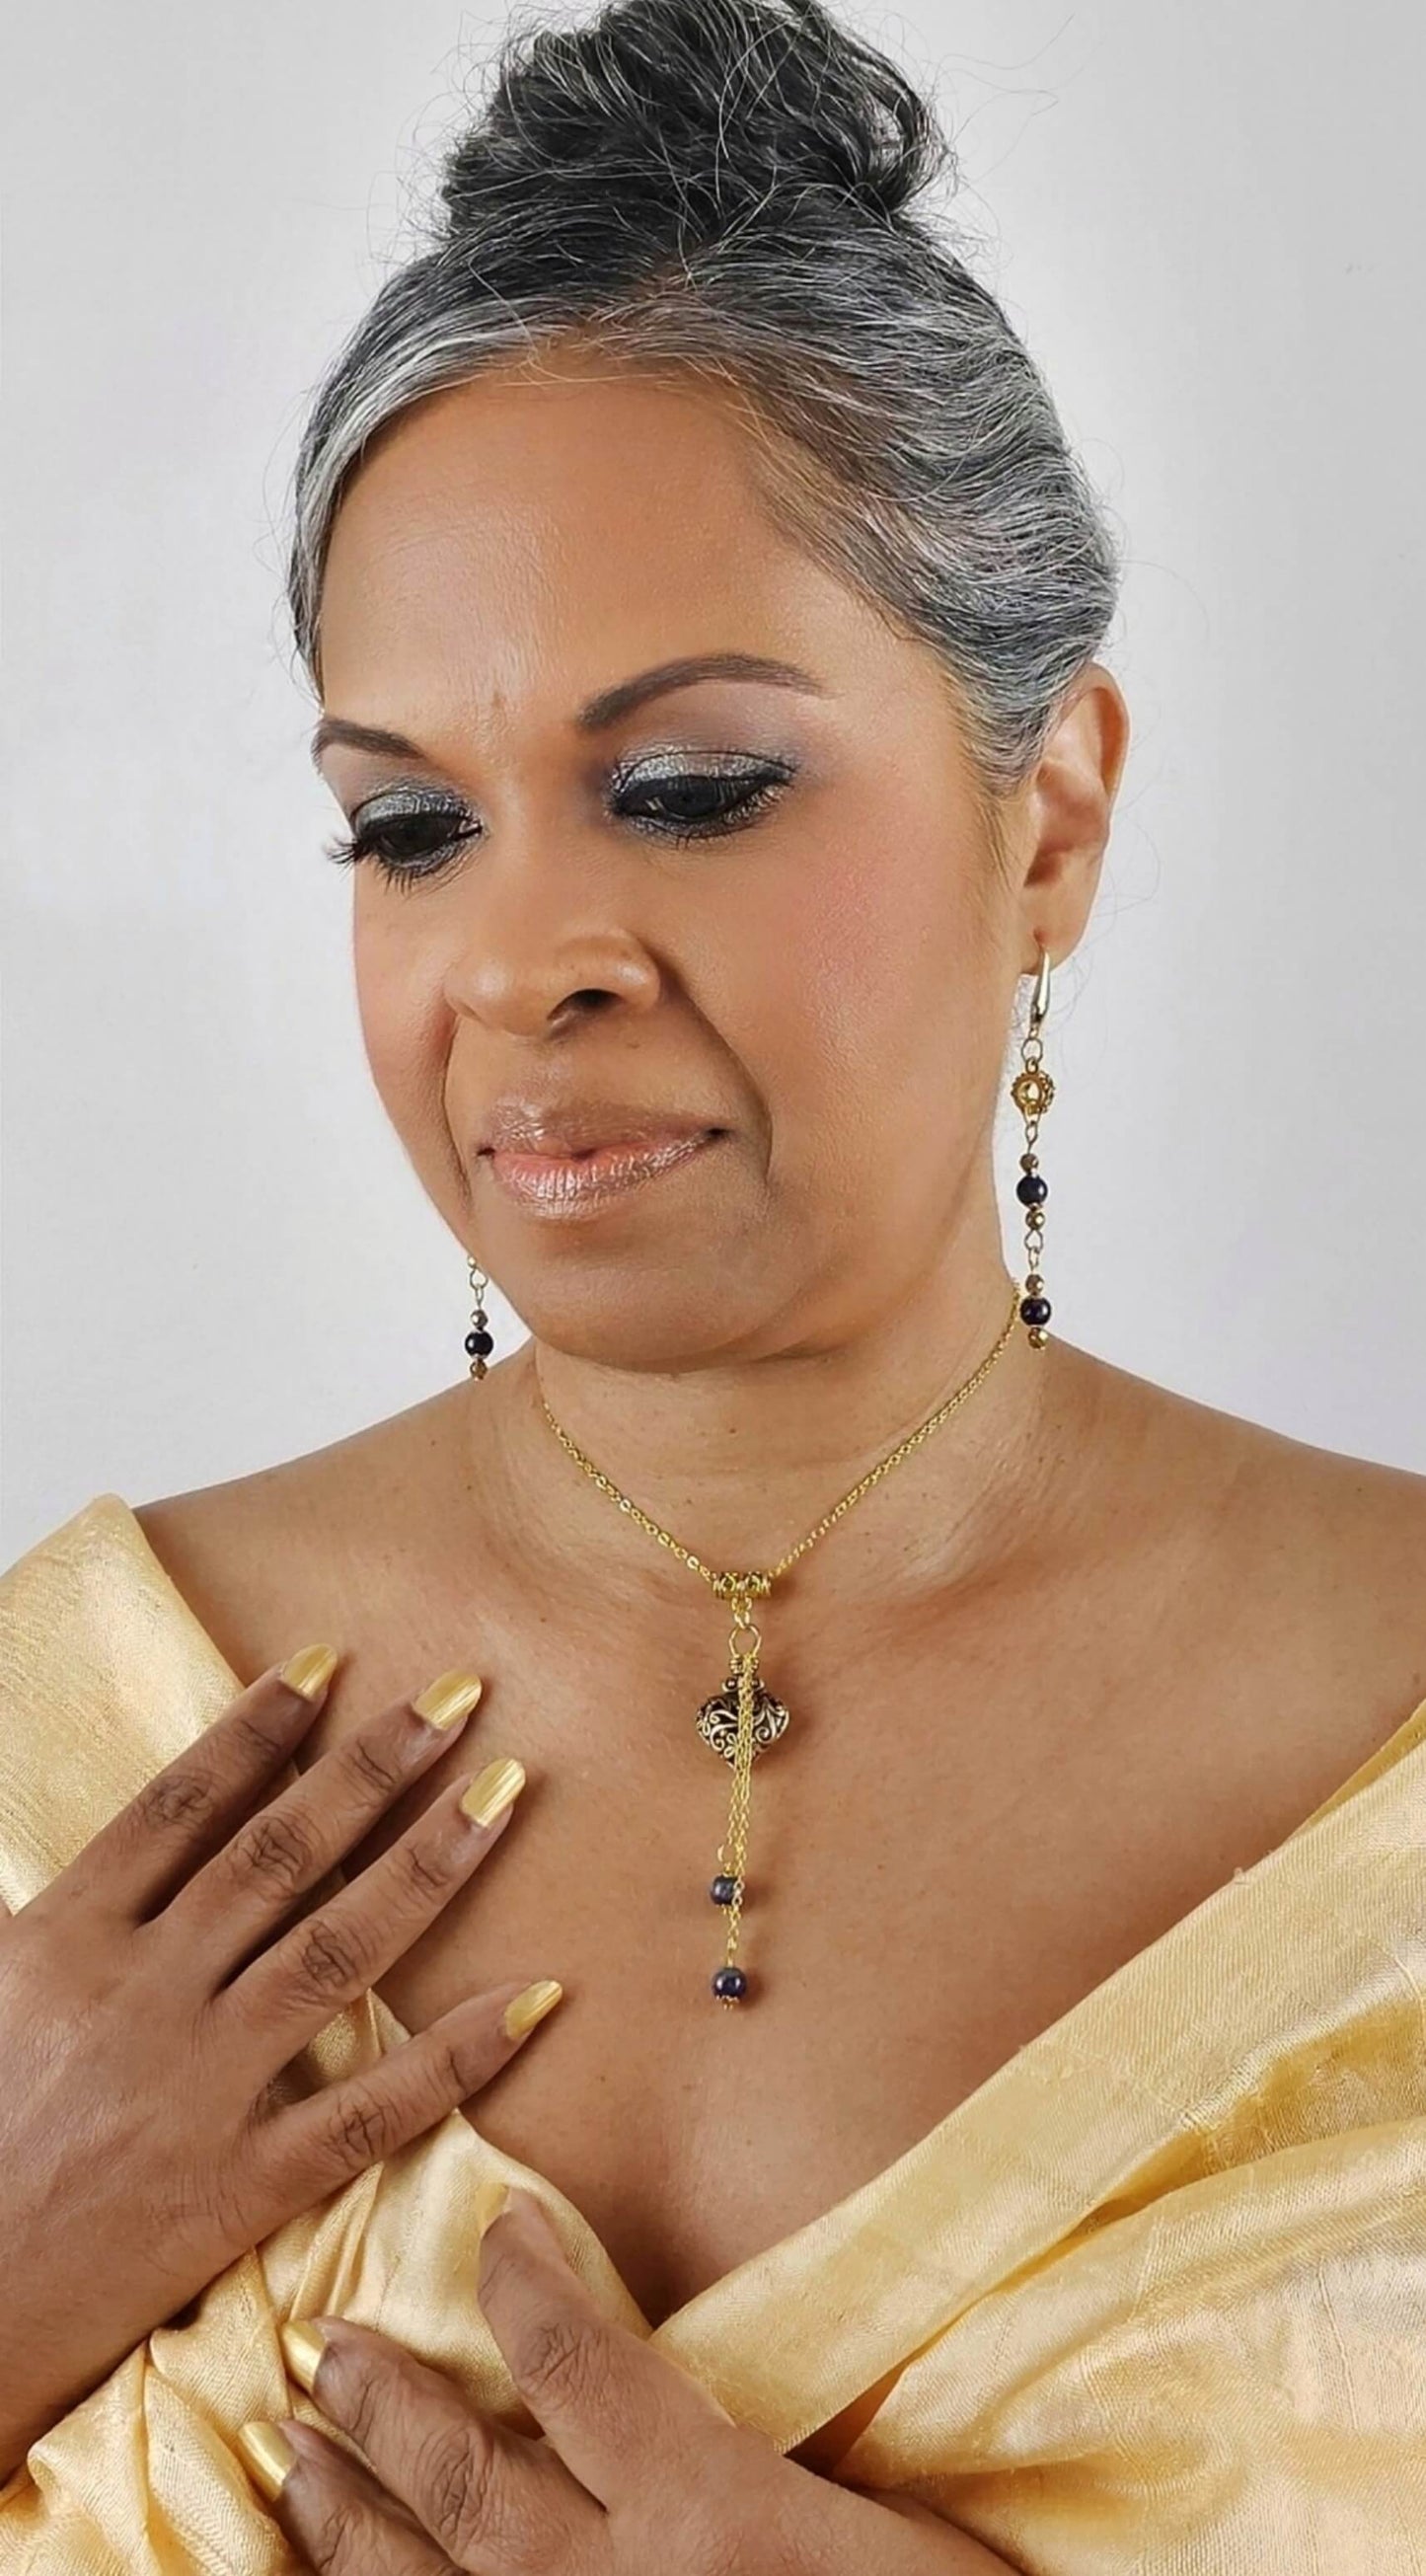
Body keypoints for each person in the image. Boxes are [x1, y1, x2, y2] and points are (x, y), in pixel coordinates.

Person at [4, 0, 1426, 2566]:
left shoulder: (1399, 1738)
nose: (518, 954)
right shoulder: (64, 1759)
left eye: (690, 789)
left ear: (1056, 816)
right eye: (407, 826)